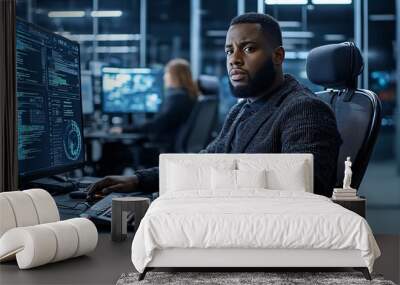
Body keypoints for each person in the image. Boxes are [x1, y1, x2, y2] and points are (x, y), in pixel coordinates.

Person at [88, 12, 342, 199]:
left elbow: (306, 195)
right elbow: (208, 161)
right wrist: (138, 180)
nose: (235, 60)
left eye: (249, 48)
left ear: (278, 56)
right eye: (229, 51)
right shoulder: (242, 109)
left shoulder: (304, 110)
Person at [110, 58, 198, 152]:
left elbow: (157, 124)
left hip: (165, 148)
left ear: (176, 76)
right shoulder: (190, 95)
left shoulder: (177, 98)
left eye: (167, 73)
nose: (164, 77)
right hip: (172, 144)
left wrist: (125, 129)